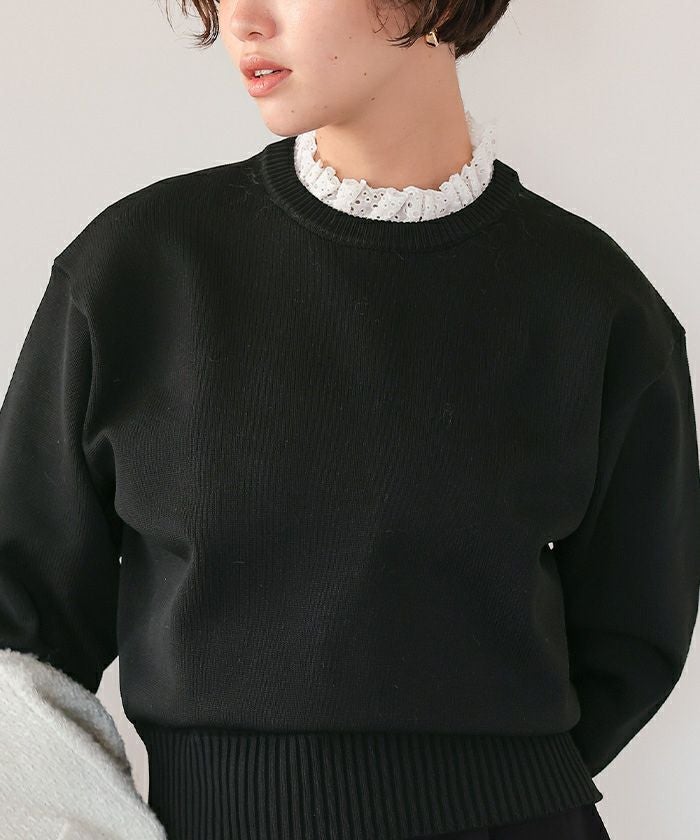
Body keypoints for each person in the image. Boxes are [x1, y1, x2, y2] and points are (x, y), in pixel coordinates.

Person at [1, 2, 698, 838]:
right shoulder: (140, 271)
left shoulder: (596, 302)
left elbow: (635, 632)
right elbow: (21, 632)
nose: (242, 21)